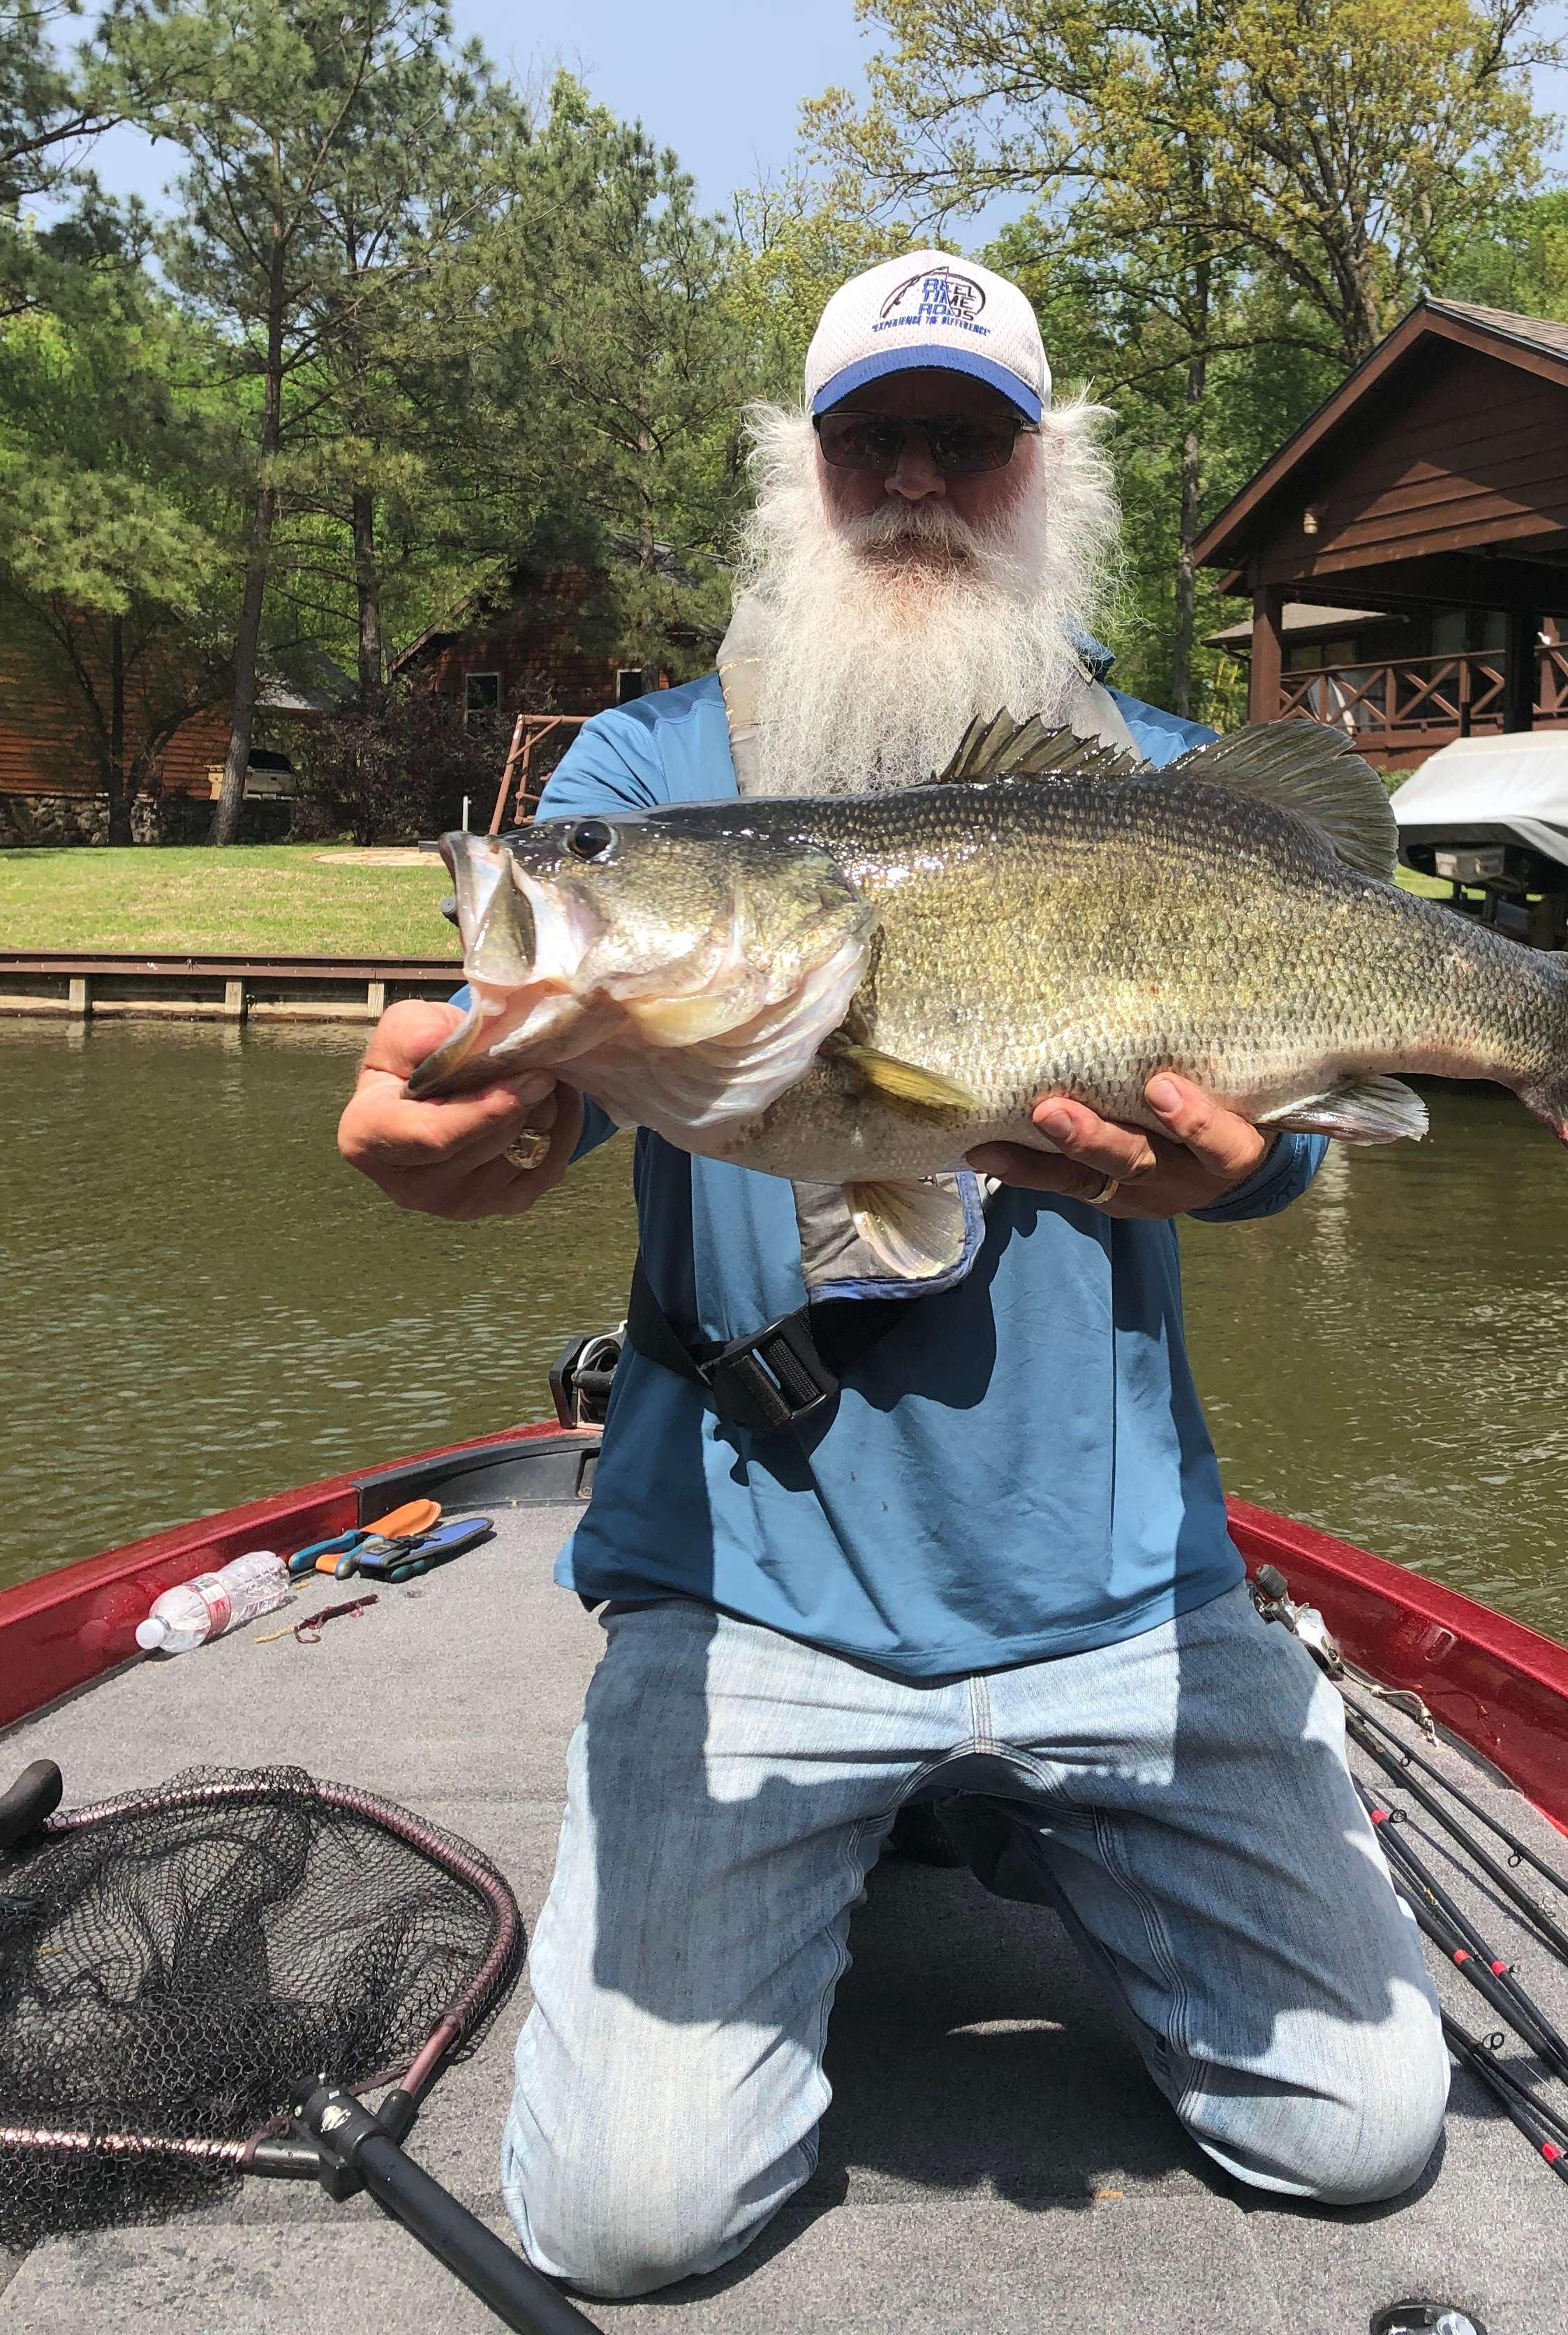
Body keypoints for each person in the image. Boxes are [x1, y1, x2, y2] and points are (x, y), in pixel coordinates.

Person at [336, 251, 1448, 2297]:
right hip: (755, 1581)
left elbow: (1282, 1151)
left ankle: (1005, 1806)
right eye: (875, 444)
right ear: (804, 468)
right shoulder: (646, 782)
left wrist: (1240, 1173)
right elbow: (550, 1090)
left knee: (1361, 2131)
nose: (919, 482)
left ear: (1049, 470)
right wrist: (474, 1141)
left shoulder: (1170, 786)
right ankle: (912, 1817)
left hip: (1116, 1575)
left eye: (968, 441)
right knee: (628, 2220)